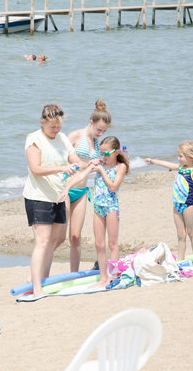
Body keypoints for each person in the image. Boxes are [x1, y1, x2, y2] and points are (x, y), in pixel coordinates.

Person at [23, 104, 86, 297]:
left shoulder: (62, 138)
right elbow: (36, 169)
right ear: (43, 123)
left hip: (58, 195)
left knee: (57, 239)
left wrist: (88, 164)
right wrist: (62, 168)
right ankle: (38, 288)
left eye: (58, 126)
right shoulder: (34, 139)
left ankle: (42, 278)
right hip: (38, 196)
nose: (56, 130)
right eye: (52, 127)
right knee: (42, 241)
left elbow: (74, 158)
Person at [58, 136, 129, 288]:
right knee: (99, 244)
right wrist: (67, 188)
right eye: (101, 153)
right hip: (98, 207)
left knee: (113, 244)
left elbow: (113, 187)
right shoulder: (100, 163)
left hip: (111, 208)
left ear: (116, 152)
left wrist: (101, 169)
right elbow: (82, 176)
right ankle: (103, 277)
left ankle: (113, 275)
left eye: (106, 153)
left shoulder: (120, 167)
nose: (103, 157)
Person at [63, 99, 112, 271]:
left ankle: (74, 274)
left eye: (104, 131)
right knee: (60, 237)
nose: (101, 133)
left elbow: (102, 164)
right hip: (66, 188)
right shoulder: (76, 136)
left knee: (76, 236)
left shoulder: (99, 144)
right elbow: (64, 157)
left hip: (82, 190)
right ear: (91, 122)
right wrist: (87, 165)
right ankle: (37, 271)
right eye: (99, 129)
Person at [144, 141, 193, 260]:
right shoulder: (180, 168)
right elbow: (167, 164)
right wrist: (152, 160)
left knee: (191, 232)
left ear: (191, 157)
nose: (178, 158)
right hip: (176, 204)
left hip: (188, 205)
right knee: (180, 234)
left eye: (181, 156)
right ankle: (181, 260)